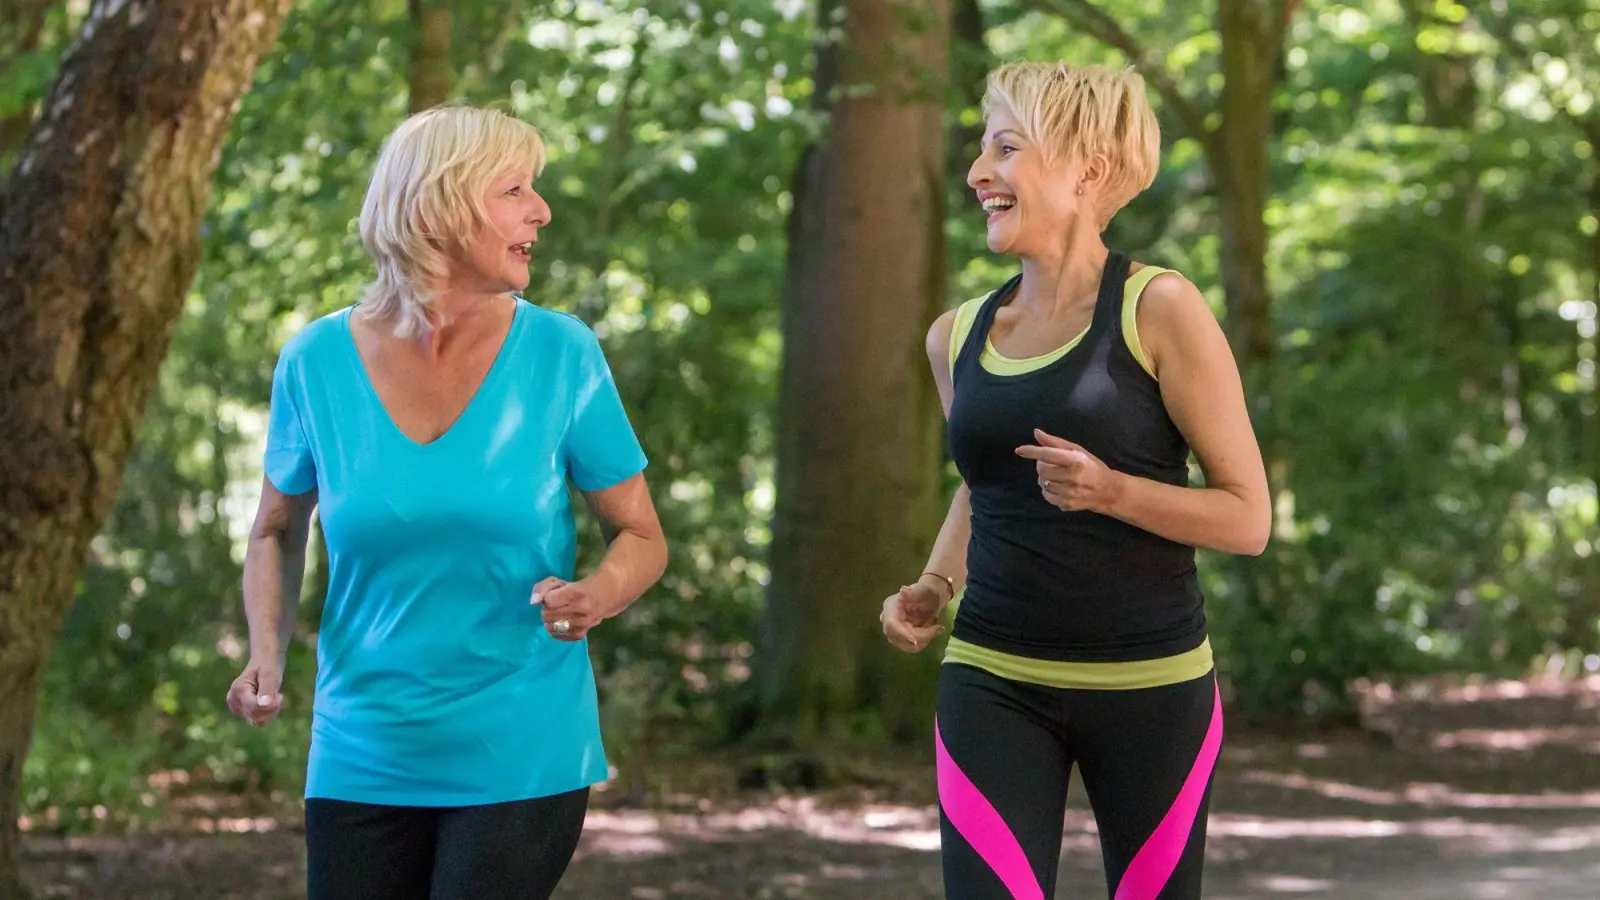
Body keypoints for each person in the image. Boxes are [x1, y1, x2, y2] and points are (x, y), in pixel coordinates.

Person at [224, 103, 668, 900]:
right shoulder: (316, 361)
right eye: (515, 189)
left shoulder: (560, 352)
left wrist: (596, 595)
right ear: (440, 204)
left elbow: (639, 534)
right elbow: (277, 531)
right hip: (361, 745)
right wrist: (265, 651)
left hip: (520, 739)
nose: (542, 210)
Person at [879, 62, 1271, 900]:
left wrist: (1114, 491)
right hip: (992, 679)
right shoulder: (957, 335)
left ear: (1089, 171)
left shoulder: (1160, 309)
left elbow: (1248, 519)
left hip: (1152, 689)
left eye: (1007, 147)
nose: (979, 169)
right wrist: (933, 584)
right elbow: (983, 488)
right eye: (983, 146)